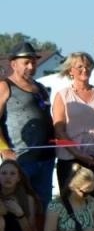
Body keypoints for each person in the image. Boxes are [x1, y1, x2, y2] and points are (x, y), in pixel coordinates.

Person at [51, 52, 94, 215]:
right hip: (71, 159)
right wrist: (79, 154)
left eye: (88, 65)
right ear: (70, 71)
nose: (84, 69)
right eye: (79, 66)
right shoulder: (63, 95)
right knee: (72, 205)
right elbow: (59, 130)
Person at [0, 40, 56, 207]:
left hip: (46, 157)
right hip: (21, 158)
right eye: (26, 63)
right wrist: (4, 148)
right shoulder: (5, 86)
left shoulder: (40, 87)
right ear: (13, 64)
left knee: (43, 204)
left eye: (33, 62)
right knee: (19, 204)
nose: (31, 67)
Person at [0, 158, 47, 231]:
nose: (8, 177)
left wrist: (19, 213)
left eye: (12, 173)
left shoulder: (27, 199)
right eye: (3, 173)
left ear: (19, 178)